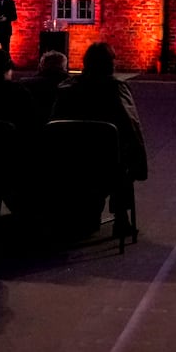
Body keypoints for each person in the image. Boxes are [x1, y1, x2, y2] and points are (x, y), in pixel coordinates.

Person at [50, 41, 147, 236]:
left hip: (70, 159)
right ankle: (122, 219)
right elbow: (130, 126)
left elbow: (55, 122)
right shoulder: (115, 88)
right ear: (110, 63)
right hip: (107, 162)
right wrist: (139, 162)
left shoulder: (67, 88)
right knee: (121, 157)